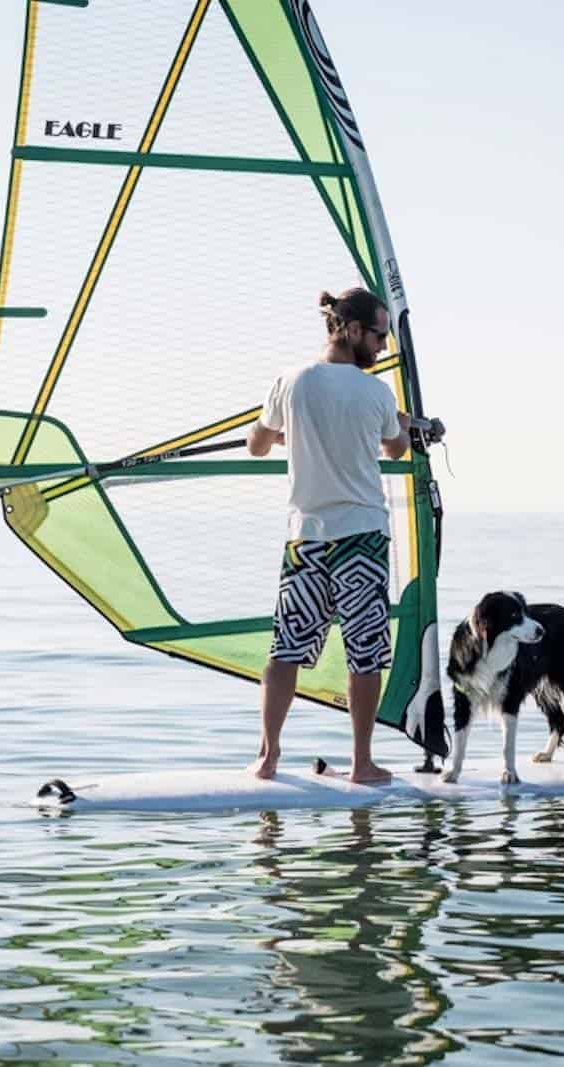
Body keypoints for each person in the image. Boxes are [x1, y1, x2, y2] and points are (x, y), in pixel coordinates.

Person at [245, 288, 411, 783]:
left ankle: (268, 757)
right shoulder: (377, 392)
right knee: (364, 652)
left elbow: (256, 445)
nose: (383, 347)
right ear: (353, 330)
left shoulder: (289, 381)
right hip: (361, 537)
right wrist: (399, 425)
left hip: (306, 539)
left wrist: (282, 435)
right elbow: (398, 449)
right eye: (380, 335)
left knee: (285, 650)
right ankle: (362, 763)